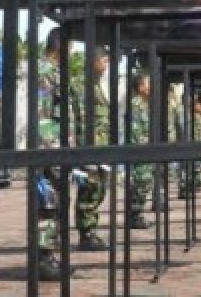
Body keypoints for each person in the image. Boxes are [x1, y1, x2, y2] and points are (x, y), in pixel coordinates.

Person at [34, 28, 72, 281]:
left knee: (57, 205)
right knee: (47, 205)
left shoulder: (56, 72)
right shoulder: (45, 72)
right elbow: (43, 113)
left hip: (58, 146)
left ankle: (50, 256)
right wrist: (50, 151)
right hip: (49, 148)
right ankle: (43, 260)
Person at [71, 46, 111, 251]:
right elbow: (78, 119)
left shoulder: (96, 86)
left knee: (98, 191)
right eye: (104, 60)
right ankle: (86, 233)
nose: (106, 64)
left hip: (101, 147)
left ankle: (90, 230)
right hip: (90, 147)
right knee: (89, 191)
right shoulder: (80, 86)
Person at [127, 72, 155, 230]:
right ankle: (134, 216)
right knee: (140, 183)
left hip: (144, 150)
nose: (150, 86)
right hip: (139, 151)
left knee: (144, 184)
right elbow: (136, 130)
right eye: (147, 83)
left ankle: (137, 215)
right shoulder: (136, 105)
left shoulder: (144, 104)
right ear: (140, 86)